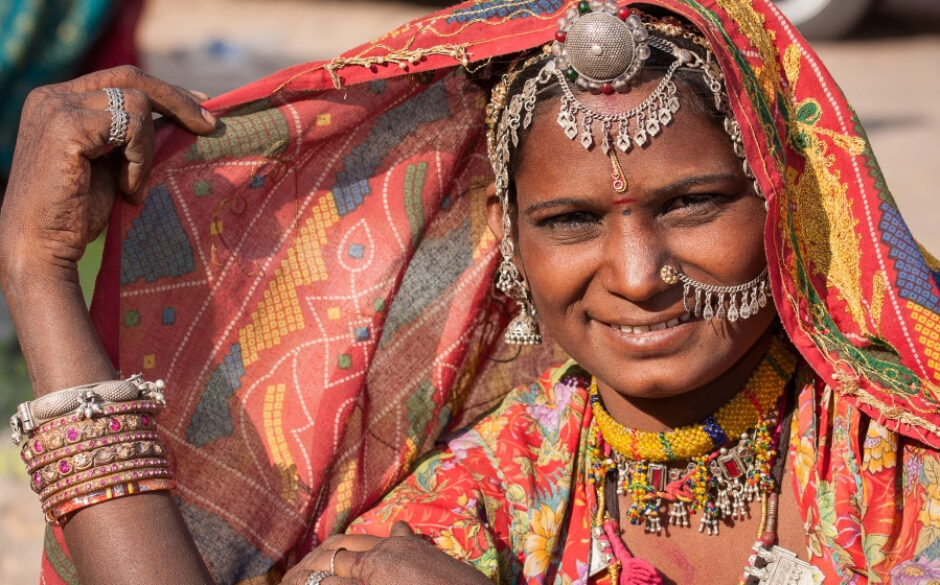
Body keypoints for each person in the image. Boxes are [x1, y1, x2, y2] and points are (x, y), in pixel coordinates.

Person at [1, 1, 939, 585]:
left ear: (784, 196)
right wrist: (38, 278)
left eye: (693, 203)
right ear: (511, 238)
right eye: (571, 221)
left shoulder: (901, 452)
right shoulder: (502, 480)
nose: (639, 274)